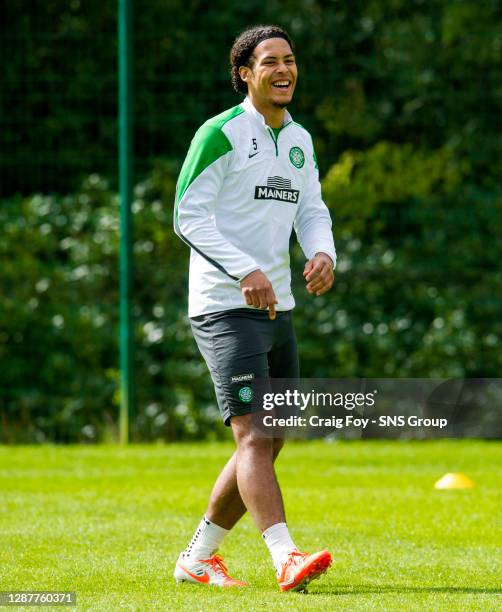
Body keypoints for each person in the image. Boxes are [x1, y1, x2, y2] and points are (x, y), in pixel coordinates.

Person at [172, 24, 336, 592]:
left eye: (290, 60)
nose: (284, 70)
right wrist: (245, 269)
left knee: (271, 436)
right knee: (253, 436)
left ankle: (197, 558)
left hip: (279, 308)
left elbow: (312, 208)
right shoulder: (219, 134)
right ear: (245, 73)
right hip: (223, 308)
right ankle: (285, 555)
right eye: (270, 62)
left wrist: (321, 252)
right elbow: (187, 215)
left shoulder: (300, 140)